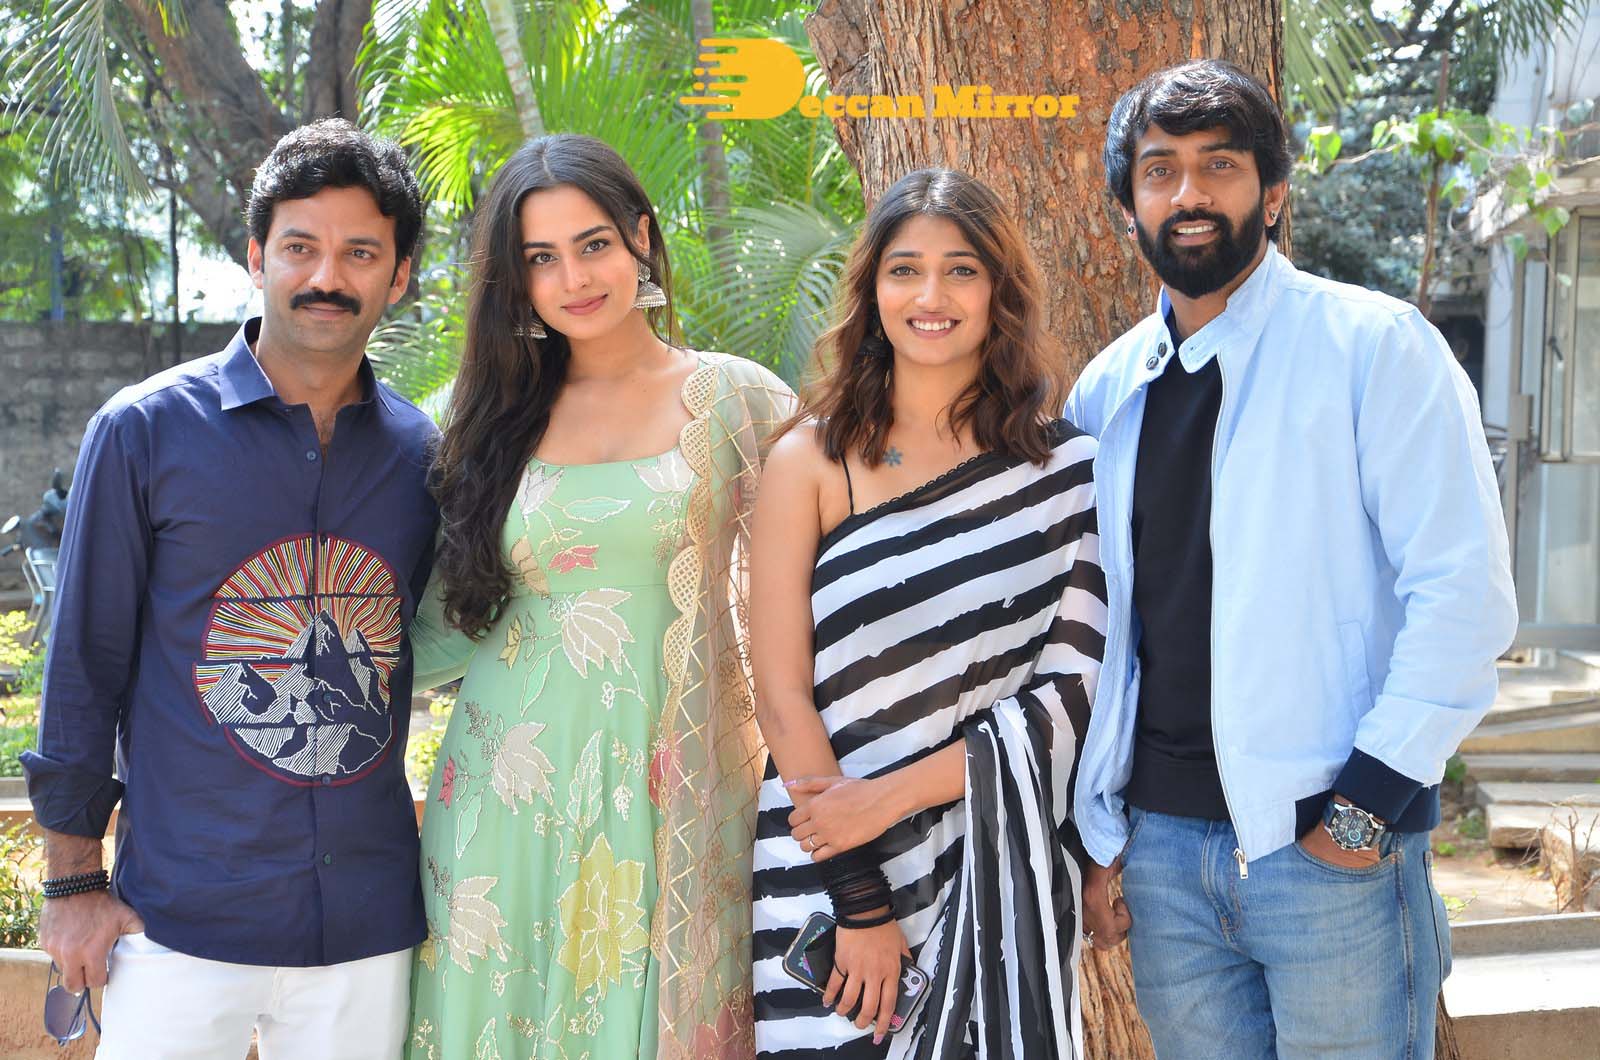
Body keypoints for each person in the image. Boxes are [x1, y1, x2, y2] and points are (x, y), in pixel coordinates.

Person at [1069, 59, 1517, 1059]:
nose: (1189, 192)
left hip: (1330, 846)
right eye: (1160, 170)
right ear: (1128, 207)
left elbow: (1463, 597)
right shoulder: (1105, 393)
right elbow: (1098, 635)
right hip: (1162, 859)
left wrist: (1363, 811)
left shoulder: (1374, 348)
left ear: (1272, 193)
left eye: (1219, 165)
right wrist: (1101, 835)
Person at [21, 118, 435, 1057]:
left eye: (360, 252)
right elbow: (84, 666)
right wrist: (74, 882)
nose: (326, 276)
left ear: (399, 276)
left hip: (363, 926)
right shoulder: (144, 433)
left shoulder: (424, 459)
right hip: (177, 920)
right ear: (257, 257)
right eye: (300, 247)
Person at [404, 133, 794, 1060]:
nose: (573, 278)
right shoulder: (484, 420)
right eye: (542, 258)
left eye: (592, 245)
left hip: (678, 786)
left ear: (640, 239)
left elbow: (819, 584)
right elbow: (441, 623)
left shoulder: (739, 402)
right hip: (503, 790)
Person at [749, 168, 1104, 1059]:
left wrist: (888, 800)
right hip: (826, 868)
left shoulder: (1067, 474)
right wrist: (859, 897)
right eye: (905, 270)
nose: (931, 296)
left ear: (999, 290)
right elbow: (781, 693)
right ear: (873, 291)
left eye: (961, 271)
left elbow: (1075, 694)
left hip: (997, 864)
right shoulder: (814, 460)